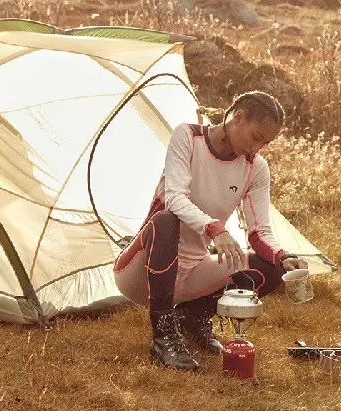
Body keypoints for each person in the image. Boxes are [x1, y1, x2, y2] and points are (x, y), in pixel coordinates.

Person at [113, 90, 308, 371]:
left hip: (193, 273)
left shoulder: (256, 168)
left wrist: (282, 255)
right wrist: (216, 229)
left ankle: (193, 316)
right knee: (166, 220)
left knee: (271, 267)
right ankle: (164, 337)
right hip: (141, 272)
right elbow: (174, 196)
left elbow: (259, 232)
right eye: (256, 137)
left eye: (265, 143)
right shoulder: (188, 138)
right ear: (237, 118)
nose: (258, 149)